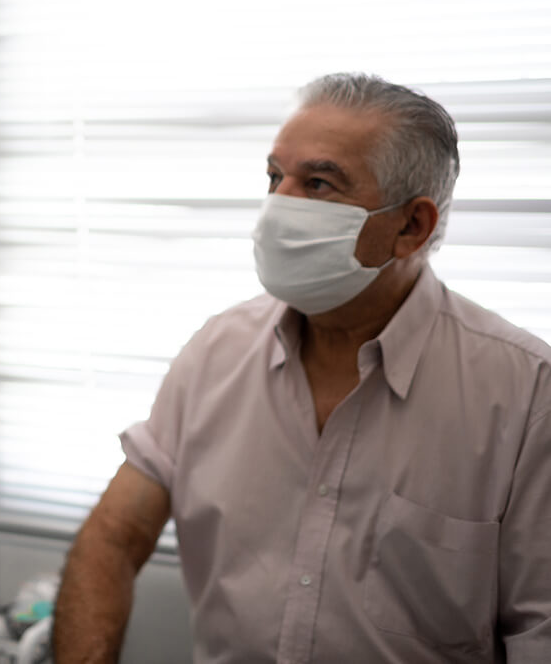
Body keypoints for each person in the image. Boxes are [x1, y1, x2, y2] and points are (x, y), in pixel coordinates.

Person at [52, 74, 551, 663]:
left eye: (318, 184)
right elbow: (112, 537)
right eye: (273, 177)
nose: (278, 206)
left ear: (411, 227)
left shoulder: (522, 395)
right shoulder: (217, 352)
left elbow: (538, 630)